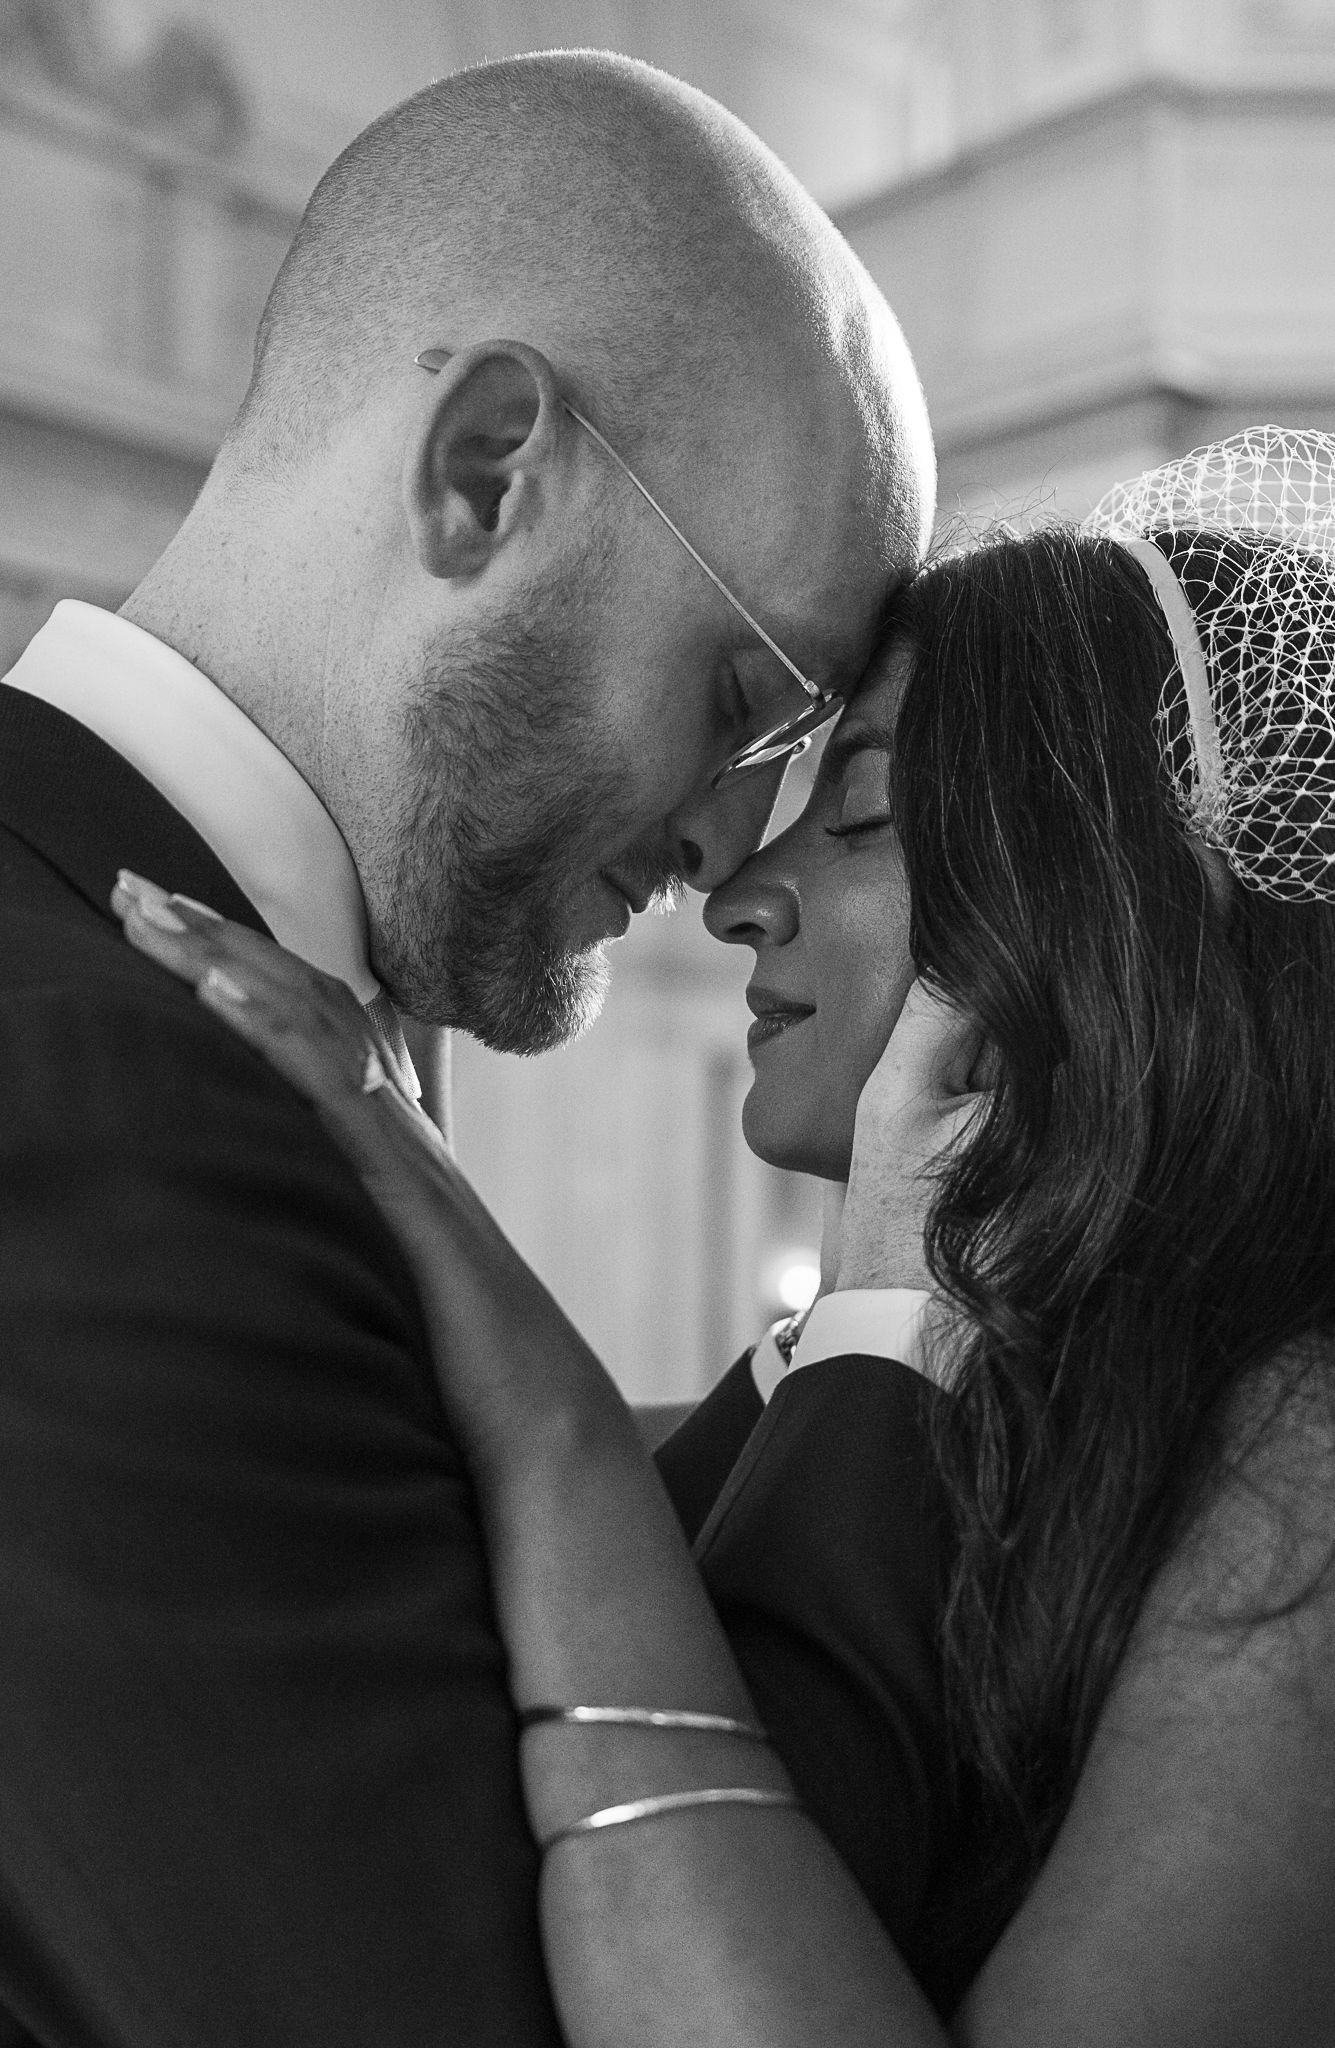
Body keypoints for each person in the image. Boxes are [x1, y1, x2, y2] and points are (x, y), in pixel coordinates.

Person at [116, 432, 1335, 2044]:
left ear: (1097, 913)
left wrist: (536, 1383)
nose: (737, 891)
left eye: (865, 813)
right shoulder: (969, 1394)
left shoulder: (1302, 1481)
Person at [0, 49, 933, 2047]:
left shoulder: (178, 1019)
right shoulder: (103, 1089)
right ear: (489, 471)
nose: (728, 852)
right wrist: (893, 1326)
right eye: (742, 701)